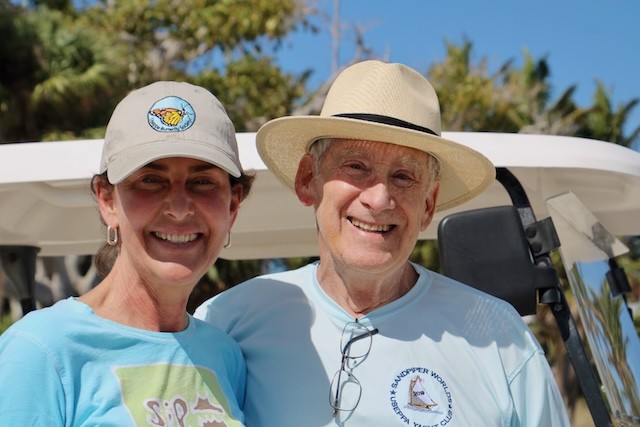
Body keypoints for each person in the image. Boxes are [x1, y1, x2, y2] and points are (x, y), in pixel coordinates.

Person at [195, 61, 570, 426]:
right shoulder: (228, 322)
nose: (379, 199)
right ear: (308, 178)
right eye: (355, 166)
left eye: (404, 176)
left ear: (428, 204)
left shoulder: (501, 340)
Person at [0, 81, 253, 426]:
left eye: (202, 182)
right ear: (107, 200)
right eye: (151, 180)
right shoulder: (41, 350)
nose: (179, 208)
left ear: (232, 205)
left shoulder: (225, 357)